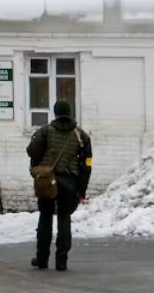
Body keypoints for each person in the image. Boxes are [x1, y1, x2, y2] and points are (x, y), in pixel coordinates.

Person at [26, 99, 93, 271]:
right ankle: (61, 261)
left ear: (55, 113)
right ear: (70, 112)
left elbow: (31, 151)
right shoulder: (81, 135)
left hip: (48, 181)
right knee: (64, 218)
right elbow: (87, 164)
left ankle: (42, 259)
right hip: (70, 182)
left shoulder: (45, 131)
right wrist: (82, 189)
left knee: (45, 217)